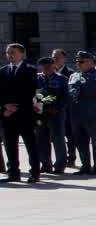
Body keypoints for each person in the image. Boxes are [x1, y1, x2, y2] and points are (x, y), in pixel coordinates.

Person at [0, 43, 42, 183]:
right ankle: (13, 173)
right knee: (10, 145)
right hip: (7, 115)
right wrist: (5, 106)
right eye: (7, 52)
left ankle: (35, 172)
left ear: (21, 54)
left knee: (31, 144)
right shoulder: (3, 71)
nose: (9, 55)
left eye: (12, 52)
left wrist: (15, 106)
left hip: (24, 113)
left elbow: (29, 91)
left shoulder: (30, 70)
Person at [65, 51, 96, 176]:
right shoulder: (74, 76)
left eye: (81, 61)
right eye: (77, 61)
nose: (78, 64)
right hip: (76, 113)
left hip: (92, 113)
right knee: (80, 141)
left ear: (90, 62)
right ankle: (85, 165)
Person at [35, 54, 69, 174]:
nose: (46, 68)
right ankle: (45, 164)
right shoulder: (37, 78)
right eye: (44, 66)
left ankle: (60, 165)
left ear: (53, 66)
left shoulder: (62, 79)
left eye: (49, 66)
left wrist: (57, 107)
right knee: (41, 140)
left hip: (56, 113)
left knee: (58, 139)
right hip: (40, 113)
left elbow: (66, 97)